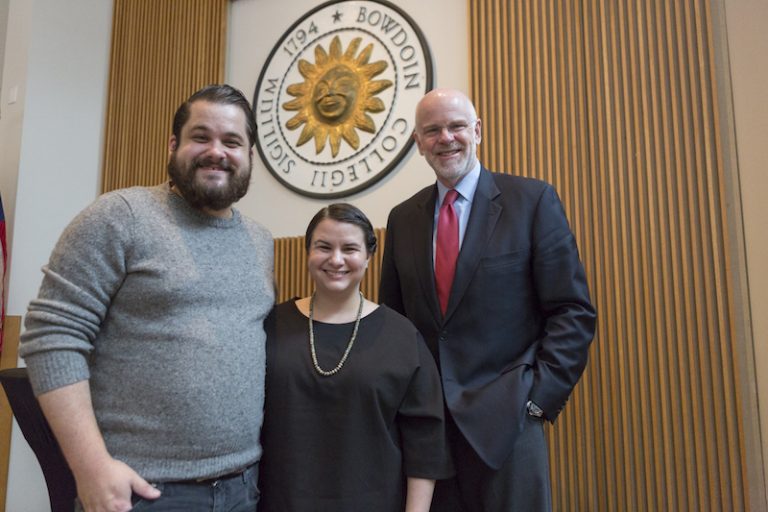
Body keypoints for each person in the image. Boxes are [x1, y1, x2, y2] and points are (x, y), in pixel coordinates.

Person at [19, 84, 275, 512]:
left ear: (250, 156)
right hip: (142, 491)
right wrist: (90, 467)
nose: (217, 151)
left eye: (232, 141)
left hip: (241, 488)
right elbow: (51, 338)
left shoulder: (260, 241)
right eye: (200, 137)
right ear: (173, 145)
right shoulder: (121, 216)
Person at [379, 88, 597, 511]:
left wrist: (537, 399)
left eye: (457, 126)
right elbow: (396, 323)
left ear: (477, 130)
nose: (446, 138)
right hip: (429, 435)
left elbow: (572, 310)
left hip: (508, 425)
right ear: (418, 143)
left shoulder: (531, 201)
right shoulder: (402, 219)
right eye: (433, 130)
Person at [258, 203, 452, 512]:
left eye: (350, 248)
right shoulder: (271, 326)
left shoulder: (402, 337)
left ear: (368, 256)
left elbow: (425, 444)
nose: (336, 259)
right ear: (308, 252)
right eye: (324, 247)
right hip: (279, 501)